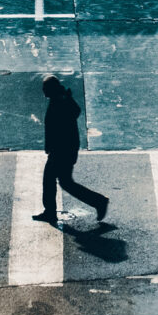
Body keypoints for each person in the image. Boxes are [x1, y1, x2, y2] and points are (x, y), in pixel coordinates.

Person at [32, 75, 108, 225]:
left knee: (52, 180)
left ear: (51, 89)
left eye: (45, 88)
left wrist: (51, 148)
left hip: (61, 151)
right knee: (65, 182)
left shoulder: (60, 102)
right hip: (64, 150)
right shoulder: (62, 99)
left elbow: (58, 129)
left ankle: (98, 202)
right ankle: (98, 201)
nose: (43, 91)